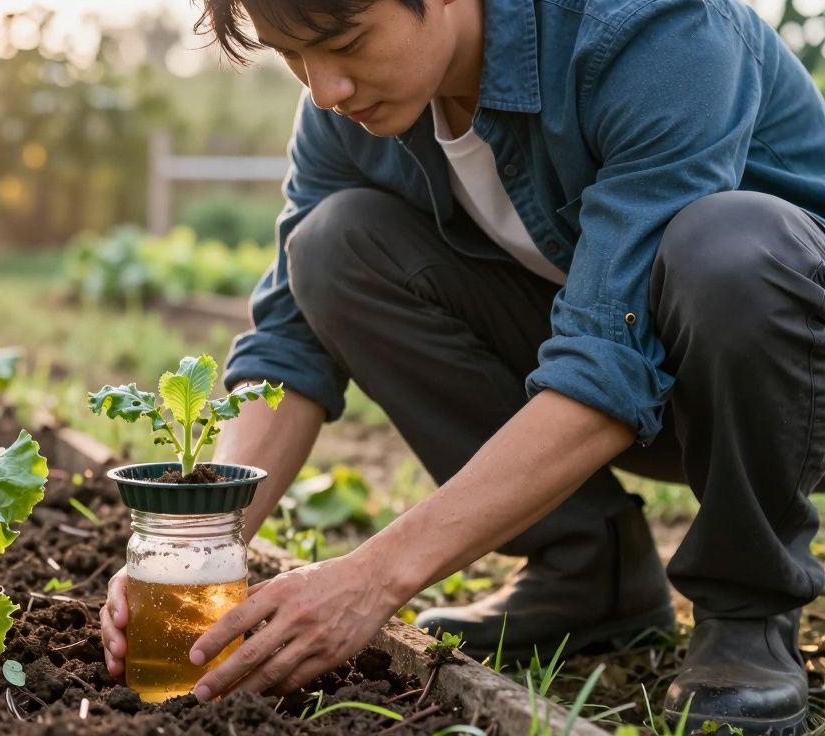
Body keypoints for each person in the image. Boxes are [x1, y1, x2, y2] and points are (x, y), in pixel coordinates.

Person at [99, 0, 825, 731]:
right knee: (330, 246)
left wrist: (374, 577)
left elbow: (612, 358)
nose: (324, 90)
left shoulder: (655, 29)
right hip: (640, 391)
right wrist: (197, 545)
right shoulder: (347, 113)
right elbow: (288, 347)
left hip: (791, 391)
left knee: (730, 245)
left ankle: (748, 607)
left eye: (345, 43)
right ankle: (588, 569)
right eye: (292, 55)